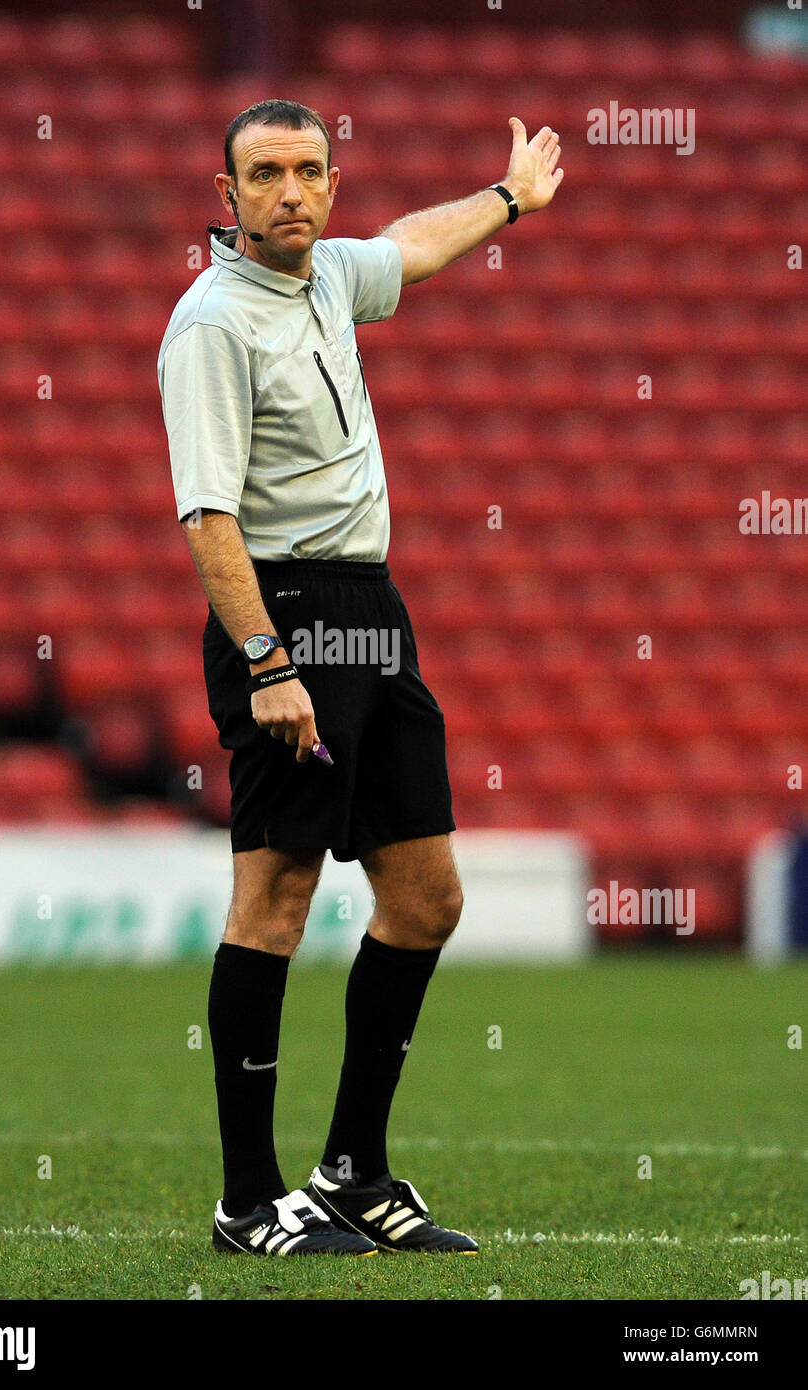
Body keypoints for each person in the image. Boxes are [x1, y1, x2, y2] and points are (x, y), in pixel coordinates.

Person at [157, 99, 563, 1256]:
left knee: (428, 896)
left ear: (332, 186)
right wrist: (267, 661)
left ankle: (352, 1169)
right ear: (225, 197)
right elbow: (208, 515)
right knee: (274, 901)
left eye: (310, 170)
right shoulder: (211, 326)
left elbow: (414, 247)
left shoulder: (331, 273)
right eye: (266, 174)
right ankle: (247, 1201)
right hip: (282, 614)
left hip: (373, 614)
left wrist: (506, 202)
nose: (291, 190)